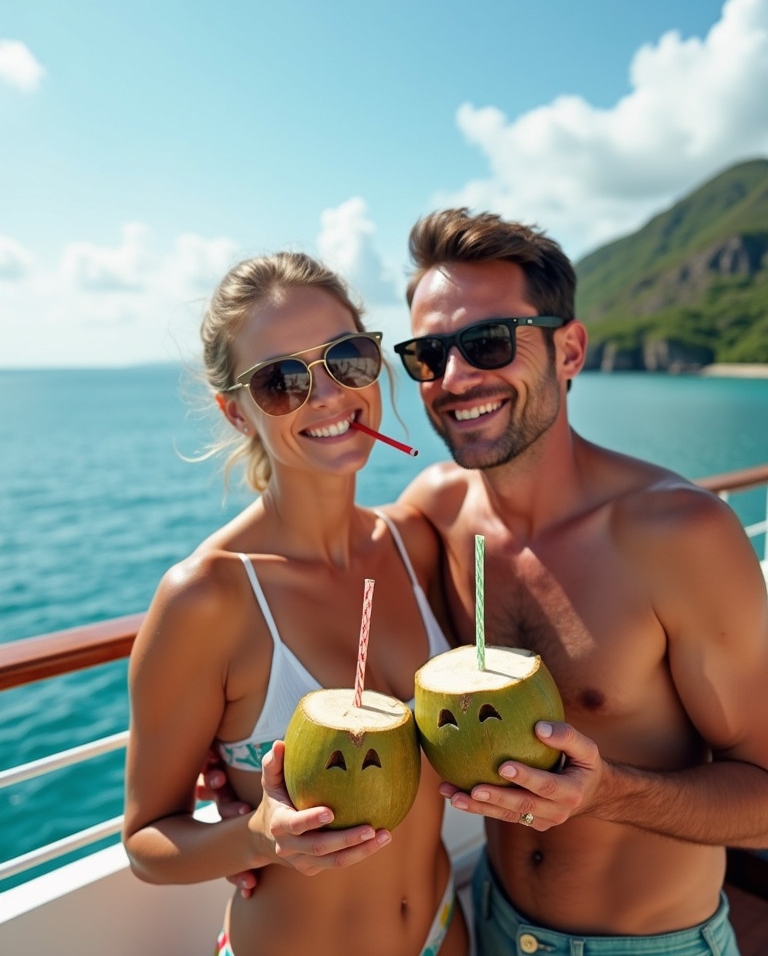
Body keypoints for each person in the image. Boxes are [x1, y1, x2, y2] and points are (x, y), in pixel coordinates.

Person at [391, 207, 768, 955]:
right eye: (429, 355)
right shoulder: (436, 509)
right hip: (492, 919)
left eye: (488, 342)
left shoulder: (679, 536)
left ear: (569, 350)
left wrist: (611, 791)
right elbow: (319, 568)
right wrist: (237, 744)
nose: (456, 379)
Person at [122, 251, 469, 956]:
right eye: (281, 381)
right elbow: (146, 843)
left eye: (346, 356)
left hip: (444, 930)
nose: (329, 395)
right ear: (237, 412)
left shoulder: (413, 544)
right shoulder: (207, 599)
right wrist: (256, 838)